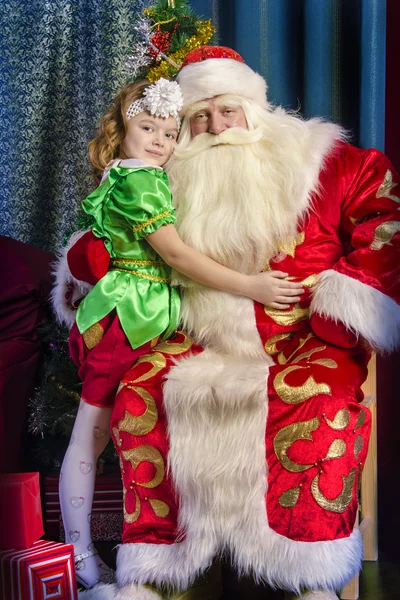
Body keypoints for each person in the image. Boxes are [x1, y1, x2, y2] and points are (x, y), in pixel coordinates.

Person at [54, 75, 304, 590]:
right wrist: (249, 285)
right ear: (122, 128)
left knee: (110, 430)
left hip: (145, 316)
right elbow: (176, 255)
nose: (160, 142)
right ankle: (78, 553)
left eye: (170, 134)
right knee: (92, 434)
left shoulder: (137, 174)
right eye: (148, 128)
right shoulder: (140, 182)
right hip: (123, 318)